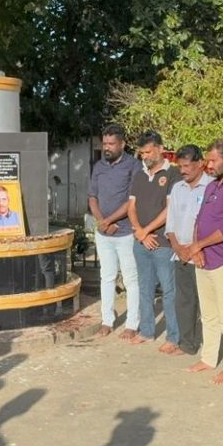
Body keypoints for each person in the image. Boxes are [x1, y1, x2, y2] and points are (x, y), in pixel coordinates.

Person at [180, 139, 223, 384]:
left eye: (213, 160)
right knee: (208, 314)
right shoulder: (211, 186)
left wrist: (199, 245)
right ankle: (208, 358)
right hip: (203, 260)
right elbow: (199, 220)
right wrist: (196, 247)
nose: (208, 164)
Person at [88, 124, 143, 338]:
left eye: (111, 144)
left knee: (131, 279)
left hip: (126, 232)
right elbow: (92, 197)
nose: (107, 148)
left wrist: (110, 220)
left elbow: (132, 200)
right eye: (105, 143)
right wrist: (102, 222)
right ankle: (107, 321)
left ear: (122, 144)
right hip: (104, 234)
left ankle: (132, 324)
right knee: (107, 277)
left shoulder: (134, 165)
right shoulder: (99, 166)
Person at [127, 131, 181, 347]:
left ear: (160, 148)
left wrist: (146, 231)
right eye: (142, 153)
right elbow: (131, 207)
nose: (145, 156)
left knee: (169, 291)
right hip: (141, 242)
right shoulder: (139, 175)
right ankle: (147, 331)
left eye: (148, 152)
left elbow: (170, 209)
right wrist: (140, 232)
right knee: (145, 288)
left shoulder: (173, 174)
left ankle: (173, 337)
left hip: (163, 244)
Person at [163, 144, 212, 358]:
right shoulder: (177, 188)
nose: (182, 171)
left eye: (186, 166)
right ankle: (187, 344)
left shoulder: (212, 187)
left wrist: (194, 248)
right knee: (184, 301)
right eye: (180, 166)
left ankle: (211, 348)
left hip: (204, 254)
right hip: (180, 254)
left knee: (208, 305)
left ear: (200, 163)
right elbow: (171, 223)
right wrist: (177, 247)